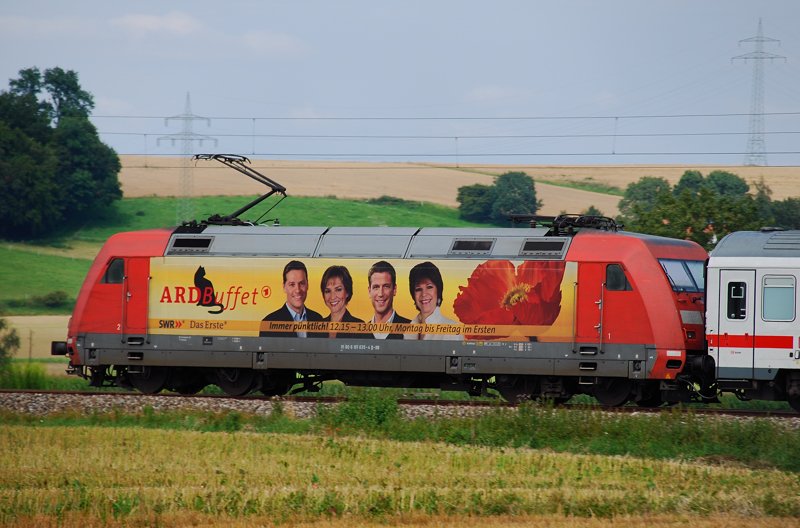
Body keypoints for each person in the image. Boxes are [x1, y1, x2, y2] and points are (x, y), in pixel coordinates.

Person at [260, 260, 323, 337]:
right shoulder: (268, 323)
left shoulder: (318, 319)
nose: (298, 290)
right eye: (292, 284)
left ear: (307, 285)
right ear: (284, 287)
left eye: (302, 283)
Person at [406, 261, 462, 341]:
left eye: (429, 287)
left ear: (438, 290)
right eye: (418, 289)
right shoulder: (407, 329)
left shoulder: (453, 330)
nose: (424, 294)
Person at [320, 265, 366, 339]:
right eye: (327, 291)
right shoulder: (319, 325)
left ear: (347, 292)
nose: (332, 297)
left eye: (338, 289)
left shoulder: (359, 326)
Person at [367, 260, 410, 339]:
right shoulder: (359, 332)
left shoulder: (410, 328)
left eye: (386, 286)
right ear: (369, 291)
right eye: (376, 287)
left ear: (394, 290)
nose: (380, 294)